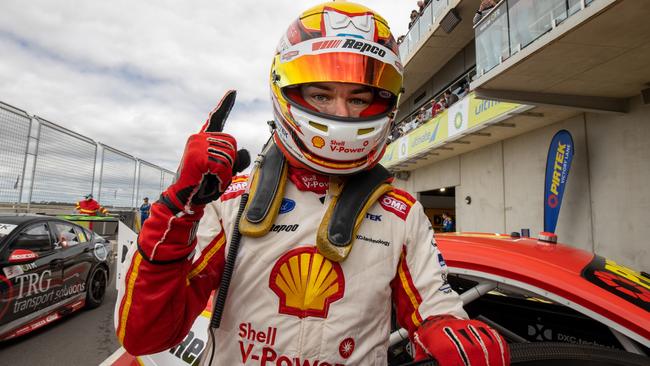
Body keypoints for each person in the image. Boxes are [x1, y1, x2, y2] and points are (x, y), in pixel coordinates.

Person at [115, 3, 509, 365]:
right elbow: (144, 336)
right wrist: (177, 209)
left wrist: (451, 333)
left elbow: (436, 309)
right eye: (322, 95)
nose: (342, 112)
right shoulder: (231, 201)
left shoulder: (402, 213)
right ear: (285, 91)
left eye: (359, 98)